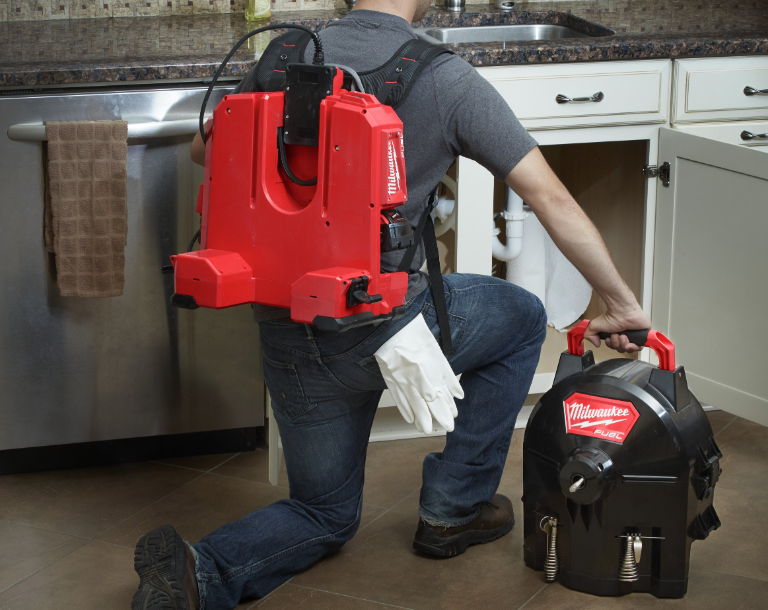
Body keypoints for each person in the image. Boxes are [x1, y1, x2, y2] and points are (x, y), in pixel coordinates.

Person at [131, 0, 651, 608]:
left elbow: (204, 152)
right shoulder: (442, 77)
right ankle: (453, 510)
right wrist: (620, 302)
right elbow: (550, 198)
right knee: (522, 318)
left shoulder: (282, 54)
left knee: (323, 512)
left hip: (287, 325)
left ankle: (202, 572)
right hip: (389, 326)